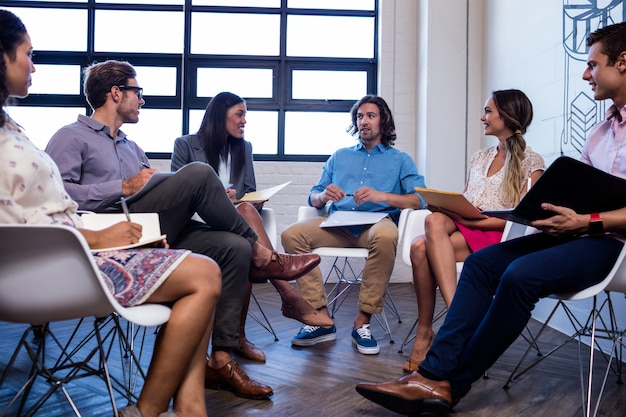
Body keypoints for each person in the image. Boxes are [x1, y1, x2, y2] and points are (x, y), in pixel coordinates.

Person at [355, 21, 626, 416]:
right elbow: (578, 191)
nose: (586, 74)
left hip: (611, 243)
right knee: (482, 265)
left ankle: (449, 384)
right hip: (574, 232)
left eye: (592, 65)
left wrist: (586, 222)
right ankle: (430, 373)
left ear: (622, 62)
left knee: (519, 277)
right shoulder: (600, 132)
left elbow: (598, 213)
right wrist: (549, 212)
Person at [44, 60, 320, 400]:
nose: (141, 100)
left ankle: (220, 360)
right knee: (200, 174)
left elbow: (148, 192)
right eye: (137, 92)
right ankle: (264, 253)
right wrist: (123, 186)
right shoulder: (70, 137)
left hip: (154, 231)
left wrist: (153, 185)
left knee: (233, 246)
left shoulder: (132, 147)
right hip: (112, 235)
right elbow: (56, 196)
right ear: (116, 93)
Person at [0, 9, 221, 417]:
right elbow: (27, 219)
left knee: (213, 254)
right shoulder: (68, 136)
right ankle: (150, 411)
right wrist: (102, 231)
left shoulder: (11, 128)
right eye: (27, 54)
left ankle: (190, 405)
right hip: (54, 264)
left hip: (92, 244)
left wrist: (140, 228)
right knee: (203, 261)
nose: (33, 65)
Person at [171, 92, 333, 362]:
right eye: (239, 114)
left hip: (234, 223)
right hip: (198, 224)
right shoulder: (186, 145)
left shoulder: (243, 148)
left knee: (244, 230)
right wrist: (218, 198)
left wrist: (249, 201)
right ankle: (288, 295)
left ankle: (238, 338)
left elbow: (250, 192)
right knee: (245, 235)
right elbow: (178, 194)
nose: (245, 120)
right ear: (219, 115)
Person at [403, 89, 545, 374]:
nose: (483, 117)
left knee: (420, 248)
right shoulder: (479, 157)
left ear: (506, 115)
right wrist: (451, 208)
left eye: (488, 111)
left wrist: (476, 221)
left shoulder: (533, 162)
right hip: (467, 225)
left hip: (495, 235)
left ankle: (433, 332)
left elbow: (524, 218)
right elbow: (470, 197)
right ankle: (452, 322)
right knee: (433, 221)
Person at [281, 95, 426, 355]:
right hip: (337, 225)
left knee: (386, 234)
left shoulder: (400, 160)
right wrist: (324, 195)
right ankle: (320, 317)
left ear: (383, 121)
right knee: (291, 235)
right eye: (360, 116)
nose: (364, 121)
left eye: (371, 116)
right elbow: (313, 196)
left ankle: (363, 322)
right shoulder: (339, 156)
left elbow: (419, 199)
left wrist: (382, 196)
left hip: (375, 226)